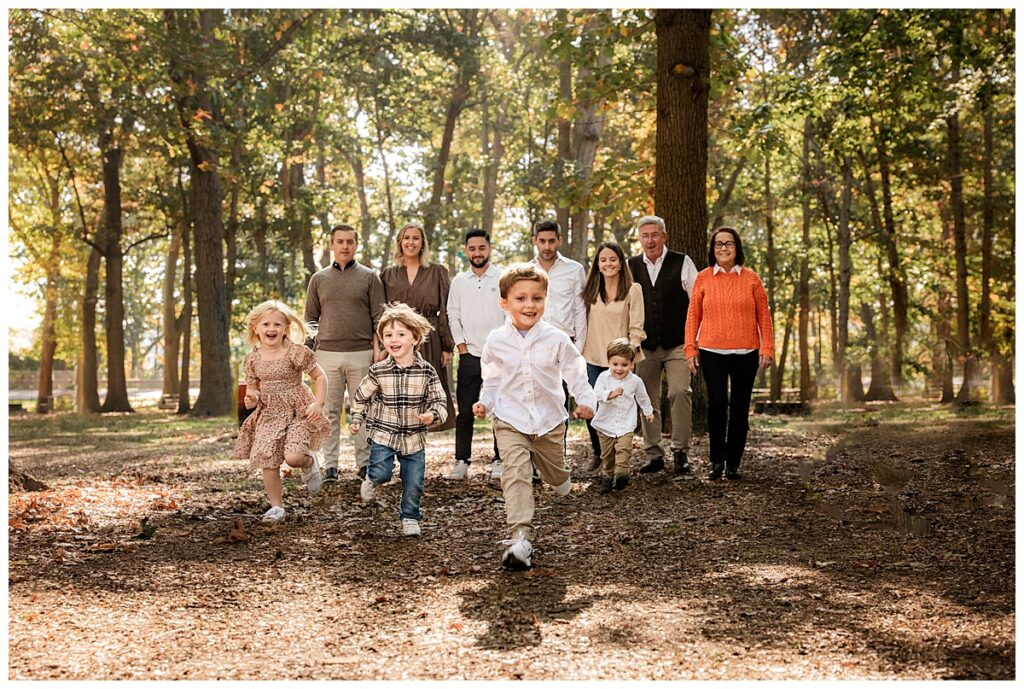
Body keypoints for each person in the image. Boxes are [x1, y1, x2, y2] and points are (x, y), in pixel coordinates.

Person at [473, 263, 597, 571]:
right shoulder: (496, 341)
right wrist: (485, 404)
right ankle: (521, 538)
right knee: (515, 474)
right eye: (521, 298)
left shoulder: (556, 339)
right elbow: (492, 379)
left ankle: (561, 480)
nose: (530, 305)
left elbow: (576, 374)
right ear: (505, 303)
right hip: (510, 419)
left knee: (556, 478)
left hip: (549, 423)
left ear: (545, 300)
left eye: (537, 298)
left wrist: (585, 400)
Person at [349, 303, 449, 537]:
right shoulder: (378, 370)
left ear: (415, 338)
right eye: (388, 335)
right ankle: (372, 478)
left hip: (414, 437)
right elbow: (361, 397)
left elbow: (440, 401)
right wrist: (356, 418)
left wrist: (432, 415)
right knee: (382, 472)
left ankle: (410, 517)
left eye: (401, 334)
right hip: (384, 433)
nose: (393, 339)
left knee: (413, 481)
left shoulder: (427, 372)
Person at [685, 227, 774, 481]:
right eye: (718, 244)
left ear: (737, 248)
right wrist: (690, 348)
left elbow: (764, 316)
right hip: (711, 351)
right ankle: (716, 461)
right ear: (713, 249)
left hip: (746, 351)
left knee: (739, 407)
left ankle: (733, 462)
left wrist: (767, 347)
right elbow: (693, 316)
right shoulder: (703, 278)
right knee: (717, 404)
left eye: (729, 244)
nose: (723, 248)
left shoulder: (751, 279)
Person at [234, 300, 330, 523]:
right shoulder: (253, 360)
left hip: (298, 409)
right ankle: (276, 507)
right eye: (265, 324)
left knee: (293, 457)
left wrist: (318, 403)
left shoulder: (295, 353)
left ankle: (308, 462)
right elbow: (253, 387)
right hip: (269, 413)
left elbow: (320, 376)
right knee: (268, 458)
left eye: (277, 324)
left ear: (286, 328)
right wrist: (252, 397)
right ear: (255, 329)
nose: (271, 329)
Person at [304, 225, 385, 484]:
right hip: (326, 354)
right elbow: (310, 320)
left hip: (361, 353)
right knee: (328, 411)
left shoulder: (370, 277)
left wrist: (378, 350)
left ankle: (364, 465)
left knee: (362, 411)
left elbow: (379, 318)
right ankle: (331, 467)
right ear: (331, 245)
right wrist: (308, 356)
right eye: (340, 241)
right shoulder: (319, 279)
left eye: (350, 241)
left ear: (356, 245)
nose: (345, 246)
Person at [627, 215, 699, 478]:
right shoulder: (630, 265)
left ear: (664, 237)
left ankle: (681, 452)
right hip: (644, 346)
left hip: (677, 343)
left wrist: (695, 341)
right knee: (647, 398)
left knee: (680, 392)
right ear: (640, 238)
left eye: (655, 234)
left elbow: (697, 302)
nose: (650, 240)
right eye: (645, 235)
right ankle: (653, 454)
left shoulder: (682, 262)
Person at [380, 223, 456, 431]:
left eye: (415, 238)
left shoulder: (437, 271)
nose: (411, 242)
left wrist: (447, 346)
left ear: (422, 244)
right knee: (400, 390)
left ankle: (426, 434)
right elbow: (381, 313)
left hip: (429, 339)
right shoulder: (388, 274)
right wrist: (380, 345)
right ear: (400, 243)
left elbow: (445, 309)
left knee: (428, 386)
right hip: (397, 338)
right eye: (406, 238)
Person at [580, 241, 646, 471]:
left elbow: (636, 327)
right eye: (603, 260)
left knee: (619, 408)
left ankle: (618, 459)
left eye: (612, 259)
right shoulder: (590, 290)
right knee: (593, 405)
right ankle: (599, 452)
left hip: (619, 361)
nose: (608, 264)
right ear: (597, 264)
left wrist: (631, 357)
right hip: (592, 357)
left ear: (620, 263)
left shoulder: (632, 289)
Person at [446, 228, 505, 481]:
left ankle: (500, 459)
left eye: (482, 248)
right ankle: (461, 461)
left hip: (499, 355)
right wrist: (461, 346)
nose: (477, 253)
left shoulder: (502, 278)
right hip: (470, 355)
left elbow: (509, 313)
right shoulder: (459, 281)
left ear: (489, 249)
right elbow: (453, 315)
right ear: (466, 250)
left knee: (501, 409)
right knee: (466, 411)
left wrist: (503, 346)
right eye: (472, 248)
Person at [591, 338, 655, 494]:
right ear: (609, 362)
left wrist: (648, 412)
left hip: (626, 422)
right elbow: (596, 393)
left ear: (632, 364)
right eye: (615, 364)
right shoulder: (603, 378)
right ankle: (608, 476)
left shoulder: (635, 381)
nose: (619, 369)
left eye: (624, 365)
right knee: (607, 453)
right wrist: (610, 394)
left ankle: (621, 475)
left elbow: (642, 397)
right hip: (605, 423)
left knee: (624, 449)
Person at [530, 219, 587, 350]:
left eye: (551, 241)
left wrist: (579, 347)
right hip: (534, 342)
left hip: (566, 342)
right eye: (542, 241)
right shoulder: (526, 271)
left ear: (559, 241)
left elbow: (580, 309)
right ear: (535, 241)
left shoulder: (575, 269)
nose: (547, 247)